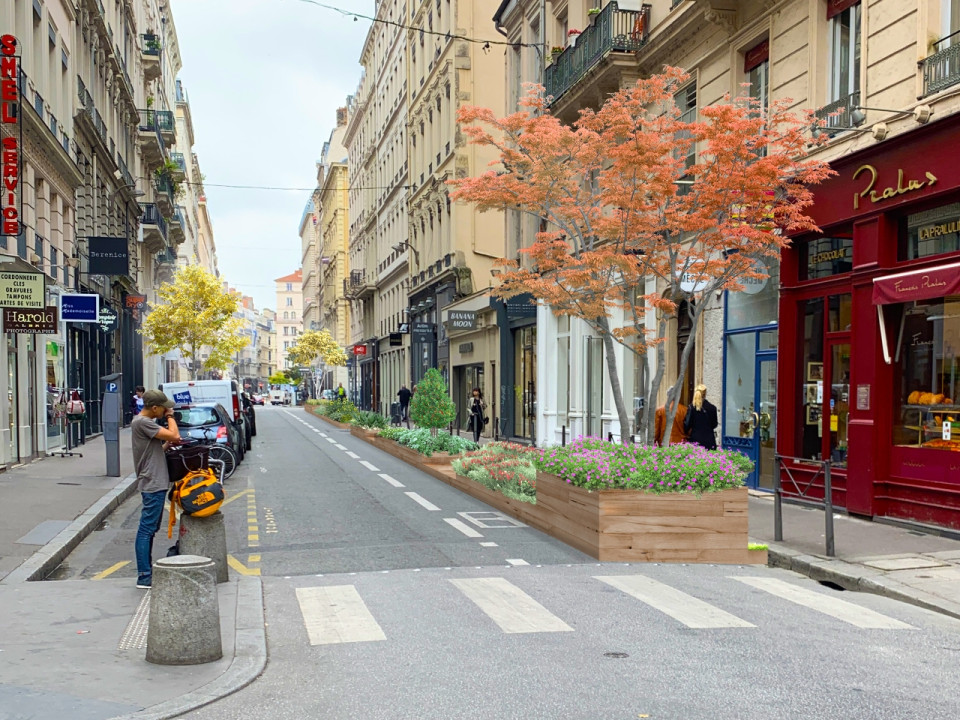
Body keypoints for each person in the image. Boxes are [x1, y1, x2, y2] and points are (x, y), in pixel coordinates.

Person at [132, 389, 180, 589]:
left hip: (153, 479)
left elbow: (152, 452)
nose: (166, 410)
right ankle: (144, 576)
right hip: (152, 481)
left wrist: (166, 446)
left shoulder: (142, 423)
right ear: (154, 408)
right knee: (146, 529)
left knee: (150, 529)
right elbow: (175, 435)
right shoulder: (144, 422)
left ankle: (146, 573)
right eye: (163, 408)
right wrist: (170, 417)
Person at [684, 384, 718, 450]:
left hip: (695, 439)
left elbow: (687, 425)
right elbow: (714, 424)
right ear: (705, 394)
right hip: (709, 440)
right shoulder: (712, 408)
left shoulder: (692, 408)